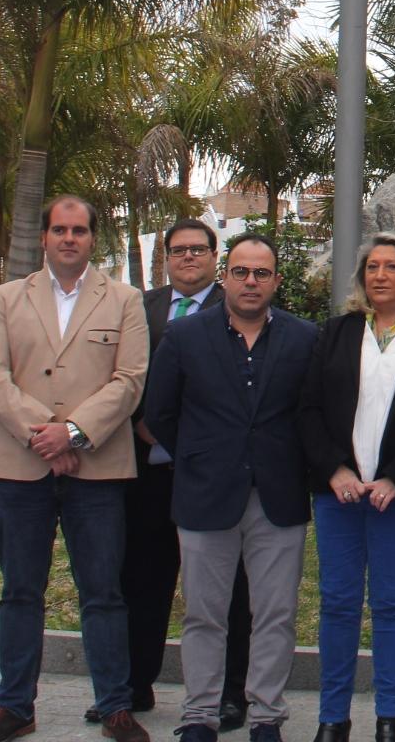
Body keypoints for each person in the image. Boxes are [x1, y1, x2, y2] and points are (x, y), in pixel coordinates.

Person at [0, 195, 150, 742]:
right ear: (44, 237)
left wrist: (72, 433)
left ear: (94, 238)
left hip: (96, 470)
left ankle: (115, 706)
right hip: (21, 465)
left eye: (79, 230)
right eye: (60, 230)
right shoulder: (6, 298)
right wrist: (45, 435)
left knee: (103, 592)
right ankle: (14, 707)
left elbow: (130, 380)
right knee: (20, 591)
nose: (69, 238)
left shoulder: (124, 300)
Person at [144, 232, 317, 742]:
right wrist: (201, 457)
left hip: (278, 497)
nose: (250, 281)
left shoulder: (305, 338)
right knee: (204, 615)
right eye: (241, 271)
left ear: (276, 281)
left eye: (261, 273)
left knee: (275, 616)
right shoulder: (185, 336)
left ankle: (266, 716)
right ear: (225, 277)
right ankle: (199, 715)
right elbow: (160, 412)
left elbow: (313, 412)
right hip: (205, 494)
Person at [299, 231, 395, 742]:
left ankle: (390, 717)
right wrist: (335, 470)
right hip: (339, 495)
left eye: (391, 266)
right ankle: (333, 717)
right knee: (338, 604)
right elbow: (308, 409)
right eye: (373, 267)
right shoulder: (336, 333)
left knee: (391, 605)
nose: (381, 275)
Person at [93, 218, 245, 728]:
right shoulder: (139, 307)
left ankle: (230, 693)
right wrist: (144, 423)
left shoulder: (237, 306)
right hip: (147, 472)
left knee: (227, 590)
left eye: (198, 249)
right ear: (166, 257)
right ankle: (132, 688)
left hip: (214, 473)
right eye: (178, 250)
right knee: (141, 581)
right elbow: (118, 374)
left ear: (214, 257)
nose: (188, 258)